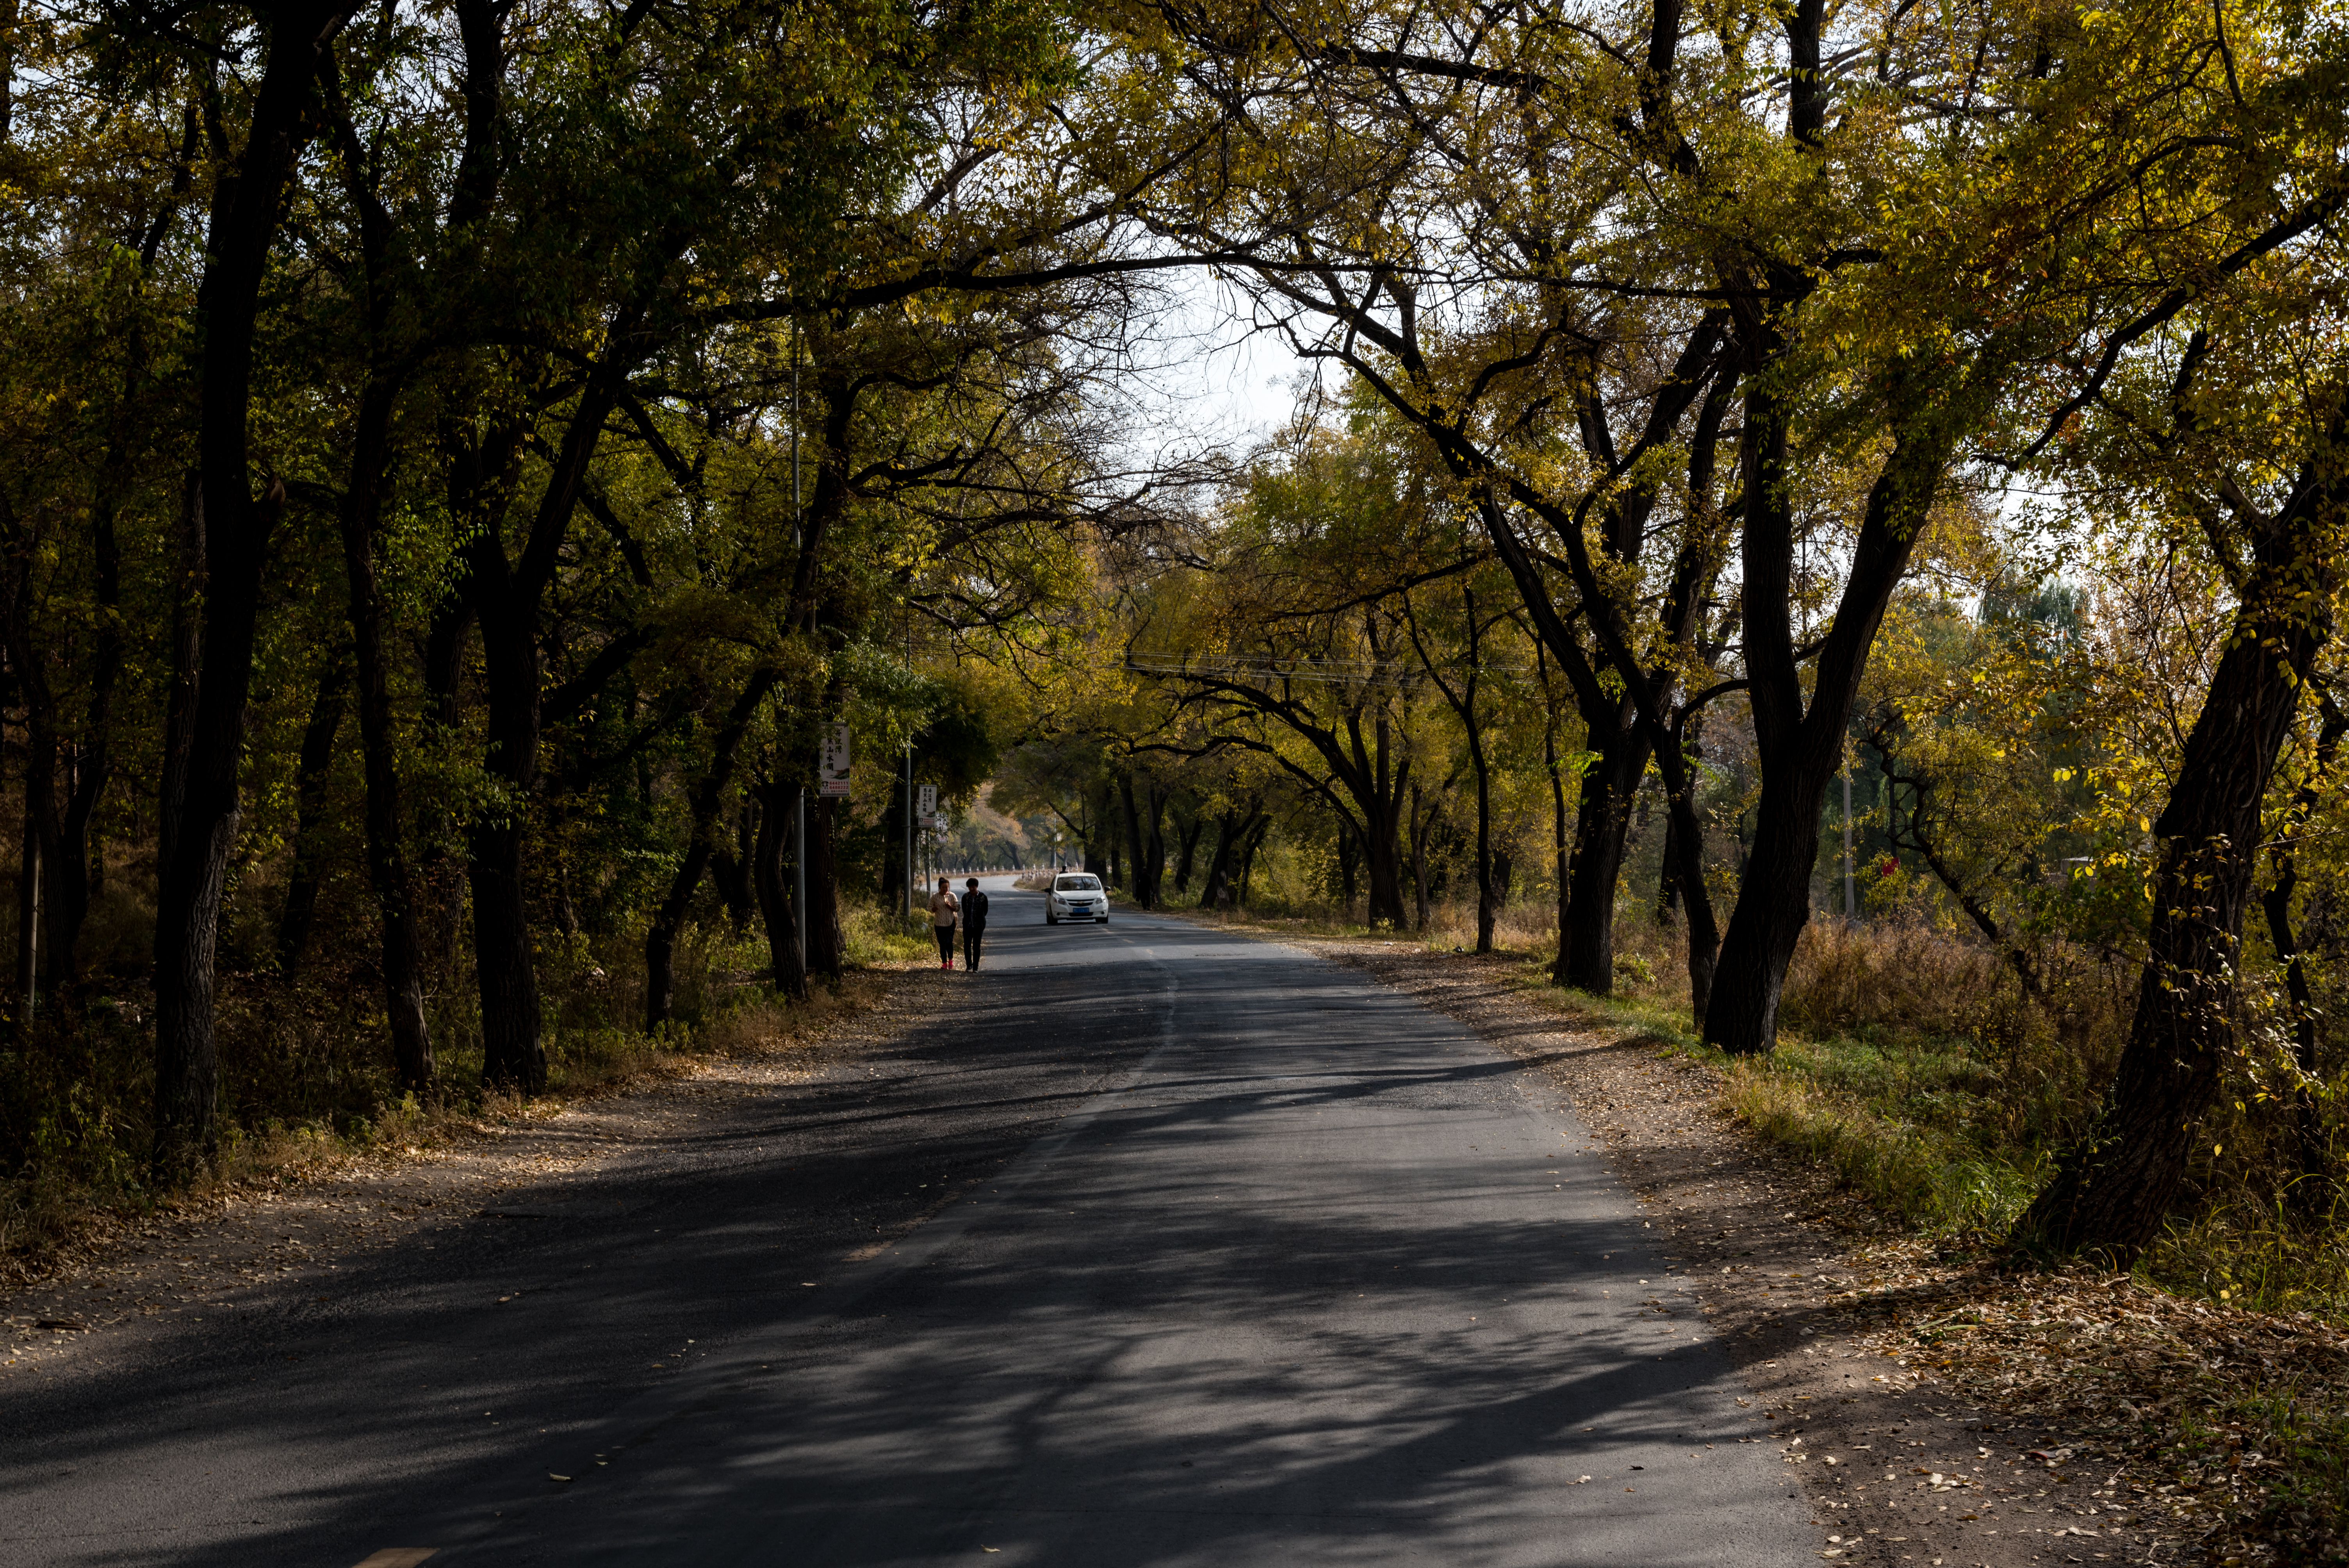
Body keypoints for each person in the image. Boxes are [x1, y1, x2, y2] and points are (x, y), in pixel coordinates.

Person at [927, 877, 960, 970]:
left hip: (950, 923)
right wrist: (934, 909)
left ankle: (951, 960)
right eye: (943, 888)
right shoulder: (935, 897)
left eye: (947, 887)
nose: (945, 889)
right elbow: (929, 908)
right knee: (942, 944)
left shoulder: (952, 896)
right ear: (940, 888)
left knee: (949, 942)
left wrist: (951, 907)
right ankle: (944, 963)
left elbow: (958, 908)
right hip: (939, 924)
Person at [961, 877, 990, 972]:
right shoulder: (965, 897)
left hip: (979, 926)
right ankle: (969, 966)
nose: (972, 889)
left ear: (977, 887)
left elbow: (985, 911)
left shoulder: (983, 897)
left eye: (973, 887)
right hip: (968, 925)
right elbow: (965, 910)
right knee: (967, 946)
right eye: (970, 887)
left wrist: (980, 920)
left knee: (977, 947)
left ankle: (976, 967)